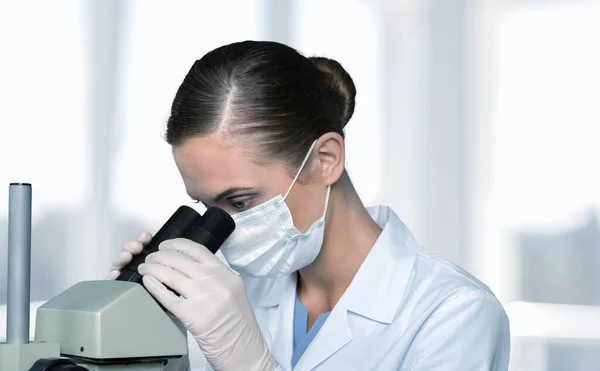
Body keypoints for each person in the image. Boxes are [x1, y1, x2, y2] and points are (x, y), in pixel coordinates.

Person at [106, 40, 510, 370]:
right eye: (206, 206)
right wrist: (155, 344)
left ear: (325, 160)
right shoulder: (231, 294)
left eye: (241, 200)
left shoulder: (454, 314)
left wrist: (252, 365)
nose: (224, 229)